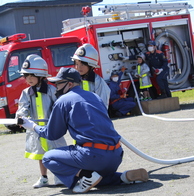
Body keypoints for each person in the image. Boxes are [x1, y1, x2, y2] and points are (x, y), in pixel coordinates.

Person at [19, 67, 149, 193]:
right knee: (96, 176)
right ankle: (121, 177)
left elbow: (52, 134)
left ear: (69, 84)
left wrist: (31, 126)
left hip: (93, 155)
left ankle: (86, 175)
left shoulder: (63, 101)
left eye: (58, 83)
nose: (56, 87)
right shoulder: (94, 97)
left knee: (48, 158)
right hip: (116, 154)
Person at [16, 54, 67, 188]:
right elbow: (23, 107)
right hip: (35, 129)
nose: (29, 79)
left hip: (52, 129)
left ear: (41, 75)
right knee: (41, 155)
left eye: (32, 75)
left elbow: (58, 106)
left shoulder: (51, 90)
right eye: (26, 76)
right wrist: (21, 117)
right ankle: (44, 177)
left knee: (56, 153)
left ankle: (59, 176)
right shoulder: (26, 92)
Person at [72, 43, 111, 109]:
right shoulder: (72, 80)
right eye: (76, 64)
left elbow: (103, 105)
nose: (78, 67)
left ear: (92, 66)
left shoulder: (99, 83)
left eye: (82, 65)